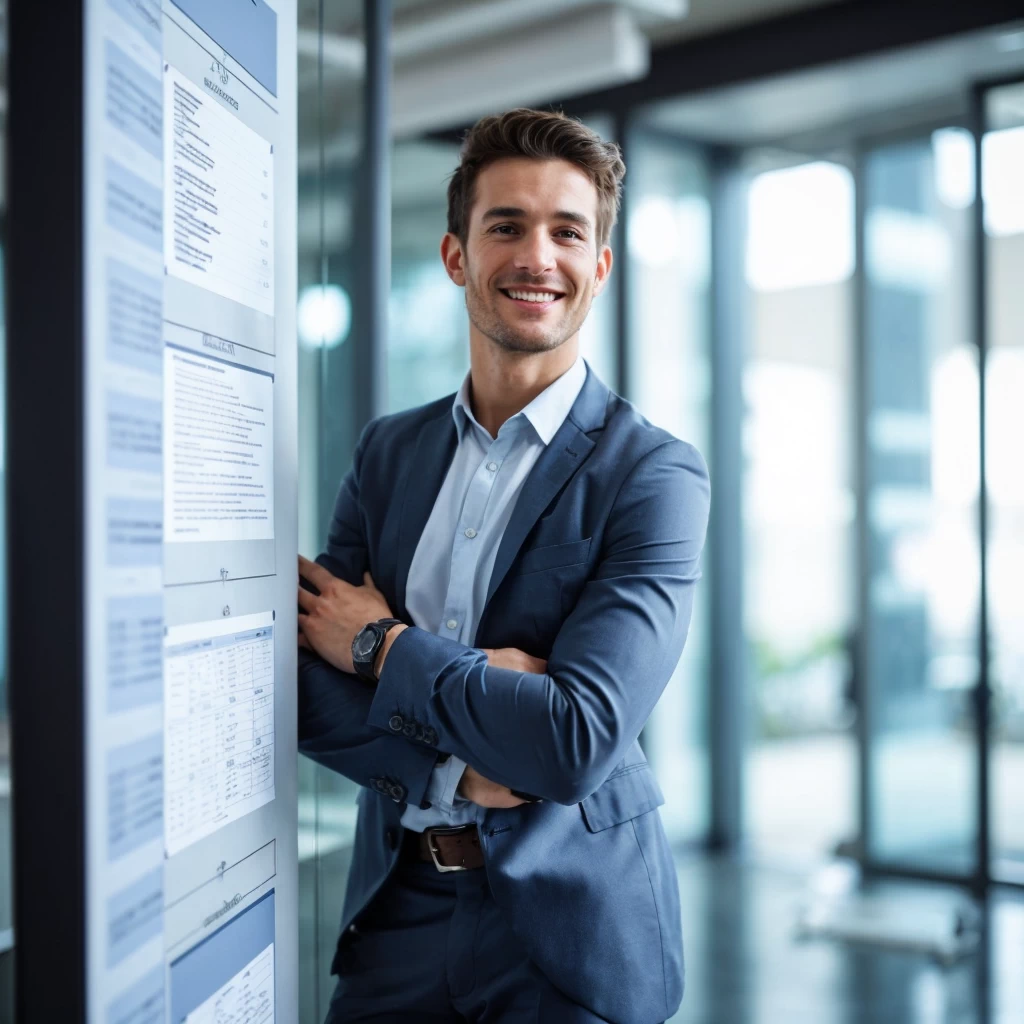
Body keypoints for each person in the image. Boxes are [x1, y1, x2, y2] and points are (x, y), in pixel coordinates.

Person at [297, 108, 710, 1024]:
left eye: (568, 231)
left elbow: (573, 740)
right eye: (506, 225)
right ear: (456, 256)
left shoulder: (654, 473)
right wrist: (479, 729)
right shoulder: (387, 455)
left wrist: (378, 646)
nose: (538, 255)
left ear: (599, 267)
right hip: (396, 913)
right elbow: (298, 685)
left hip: (570, 932)